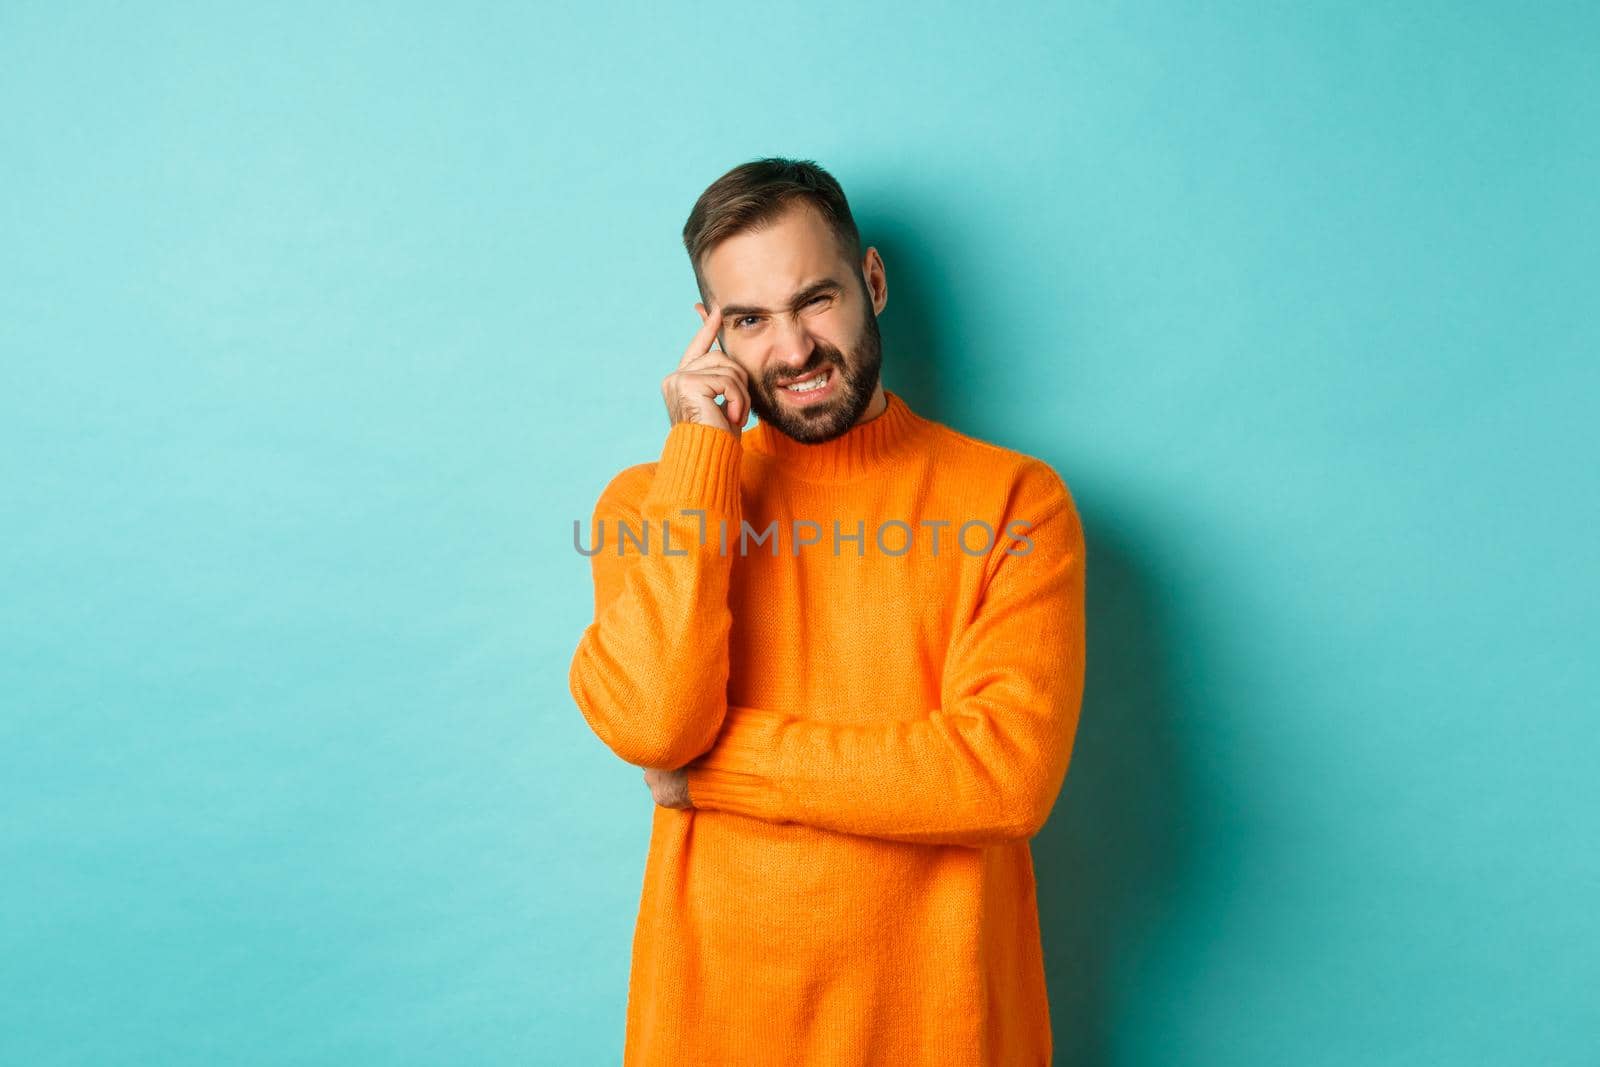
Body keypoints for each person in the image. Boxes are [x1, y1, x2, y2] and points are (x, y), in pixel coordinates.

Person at [568, 157, 1086, 1066]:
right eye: (750, 320)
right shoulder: (646, 507)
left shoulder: (1014, 501)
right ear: (709, 334)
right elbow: (658, 724)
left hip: (943, 1032)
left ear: (872, 282)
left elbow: (1002, 776)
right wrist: (700, 450)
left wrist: (715, 771)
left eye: (816, 299)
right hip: (715, 1030)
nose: (795, 348)